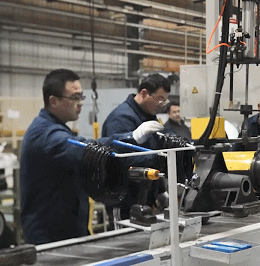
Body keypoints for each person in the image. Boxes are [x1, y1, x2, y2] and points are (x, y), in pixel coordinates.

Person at [20, 69, 162, 244]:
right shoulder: (45, 135)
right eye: (75, 97)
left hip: (68, 230)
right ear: (54, 101)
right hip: (50, 237)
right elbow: (88, 149)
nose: (80, 103)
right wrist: (132, 137)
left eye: (81, 97)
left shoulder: (55, 128)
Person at [102, 73, 171, 222]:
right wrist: (160, 159)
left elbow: (154, 149)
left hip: (143, 197)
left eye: (165, 100)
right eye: (160, 99)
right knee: (126, 236)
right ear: (144, 93)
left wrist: (160, 190)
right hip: (123, 200)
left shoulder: (148, 115)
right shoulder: (121, 118)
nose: (163, 104)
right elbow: (120, 159)